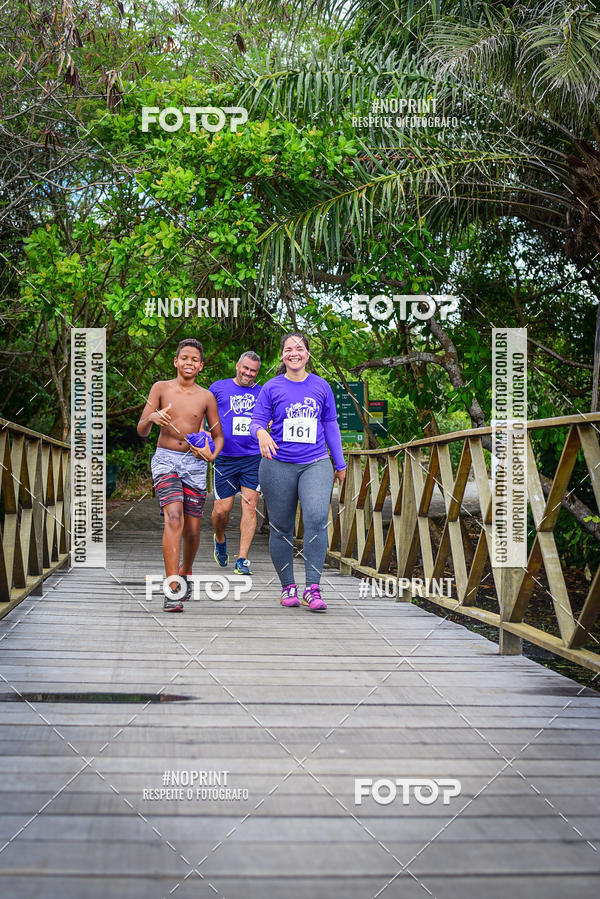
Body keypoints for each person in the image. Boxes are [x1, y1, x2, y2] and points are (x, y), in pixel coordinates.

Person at [250, 332, 346, 612]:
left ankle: (313, 588)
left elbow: (330, 425)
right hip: (277, 463)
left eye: (300, 348)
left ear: (307, 354)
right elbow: (257, 420)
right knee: (281, 526)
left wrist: (339, 463)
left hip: (315, 462)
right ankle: (287, 586)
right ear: (282, 355)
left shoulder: (321, 386)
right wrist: (262, 435)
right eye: (289, 349)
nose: (295, 352)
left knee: (316, 518)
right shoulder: (271, 387)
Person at [137, 339, 224, 612]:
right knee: (173, 517)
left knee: (193, 528)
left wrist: (211, 455)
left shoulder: (206, 397)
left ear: (201, 365)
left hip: (195, 464)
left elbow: (218, 435)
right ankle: (172, 586)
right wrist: (151, 419)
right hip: (166, 461)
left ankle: (186, 573)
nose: (189, 362)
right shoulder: (160, 389)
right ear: (175, 361)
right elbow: (141, 429)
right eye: (183, 357)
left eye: (194, 359)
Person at [209, 352, 262, 576]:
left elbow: (270, 419)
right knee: (223, 509)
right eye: (246, 368)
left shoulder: (262, 392)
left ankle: (242, 559)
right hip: (224, 457)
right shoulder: (218, 388)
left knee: (250, 505)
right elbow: (203, 415)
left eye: (253, 371)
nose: (248, 374)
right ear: (237, 365)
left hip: (252, 457)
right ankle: (219, 538)